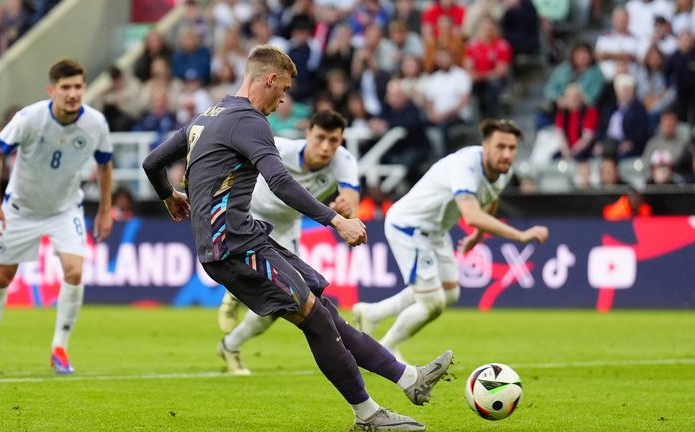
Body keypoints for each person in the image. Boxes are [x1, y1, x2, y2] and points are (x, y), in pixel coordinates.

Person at [142, 45, 452, 432]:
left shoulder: (208, 115)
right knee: (316, 320)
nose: (283, 98)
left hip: (247, 238)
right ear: (269, 80)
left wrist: (169, 196)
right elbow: (281, 181)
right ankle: (368, 416)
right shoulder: (251, 121)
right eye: (284, 88)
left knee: (327, 313)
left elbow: (152, 162)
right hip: (233, 246)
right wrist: (335, 221)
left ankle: (410, 379)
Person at [352, 119, 549, 362]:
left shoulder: (501, 171)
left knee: (450, 293)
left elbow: (491, 199)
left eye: (511, 148)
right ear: (485, 145)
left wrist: (477, 236)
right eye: (500, 146)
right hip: (409, 227)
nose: (506, 154)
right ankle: (385, 349)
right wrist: (520, 235)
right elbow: (472, 215)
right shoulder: (465, 167)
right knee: (433, 302)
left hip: (435, 231)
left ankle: (372, 313)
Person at [0, 59, 113, 375]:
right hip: (21, 209)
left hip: (65, 209)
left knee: (75, 272)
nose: (72, 93)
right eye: (65, 87)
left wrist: (105, 210)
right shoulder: (29, 118)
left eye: (78, 86)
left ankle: (60, 349)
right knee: (2, 277)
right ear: (52, 90)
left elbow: (105, 166)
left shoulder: (95, 124)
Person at [216, 109, 359, 375]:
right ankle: (233, 295)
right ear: (308, 133)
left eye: (334, 141)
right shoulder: (280, 147)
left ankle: (229, 345)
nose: (326, 147)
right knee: (259, 279)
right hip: (250, 215)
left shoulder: (344, 161)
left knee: (284, 301)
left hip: (286, 227)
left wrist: (346, 207)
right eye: (320, 138)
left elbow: (352, 199)